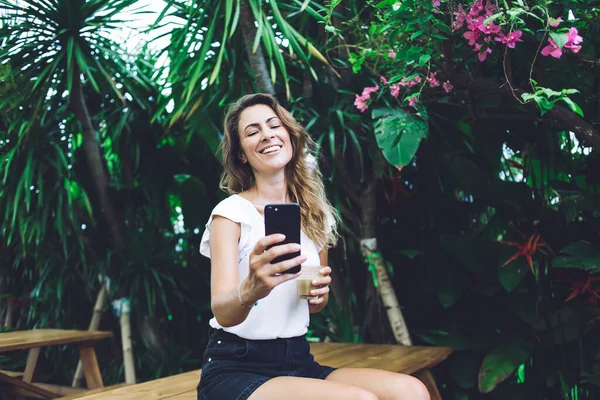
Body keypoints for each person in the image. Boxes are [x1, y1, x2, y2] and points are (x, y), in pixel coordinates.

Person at [198, 93, 429, 400]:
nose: (267, 134)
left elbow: (313, 305)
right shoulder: (230, 214)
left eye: (273, 125)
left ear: (289, 136)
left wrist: (317, 294)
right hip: (236, 367)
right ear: (242, 154)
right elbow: (223, 312)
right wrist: (253, 287)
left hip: (297, 360)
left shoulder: (313, 215)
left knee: (412, 391)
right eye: (252, 132)